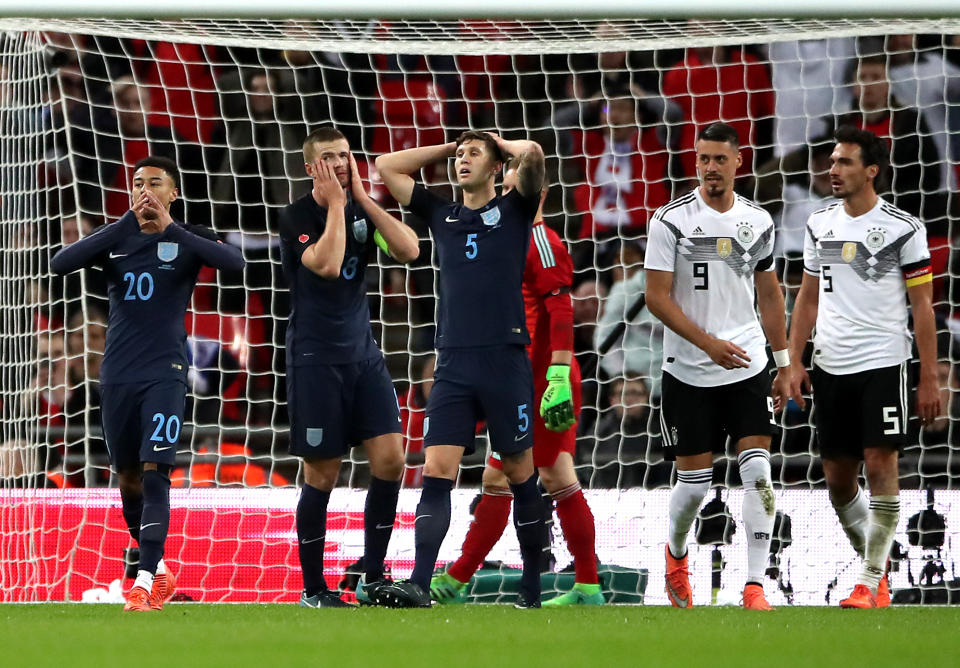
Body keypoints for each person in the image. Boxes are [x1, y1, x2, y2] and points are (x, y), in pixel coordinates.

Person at [50, 155, 244, 612]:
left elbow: (233, 263)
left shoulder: (189, 236)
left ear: (174, 192)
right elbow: (61, 263)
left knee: (156, 471)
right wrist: (125, 223)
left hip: (164, 374)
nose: (145, 189)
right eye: (138, 183)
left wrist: (170, 226)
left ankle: (143, 581)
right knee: (128, 478)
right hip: (116, 375)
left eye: (155, 183)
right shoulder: (117, 237)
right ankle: (158, 571)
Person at [375, 130, 546, 608]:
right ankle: (420, 583)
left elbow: (532, 154)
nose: (463, 161)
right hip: (452, 360)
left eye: (475, 156)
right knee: (437, 468)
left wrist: (496, 143)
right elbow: (388, 165)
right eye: (460, 155)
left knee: (518, 470)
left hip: (504, 357)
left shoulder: (515, 208)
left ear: (495, 167)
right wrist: (451, 147)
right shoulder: (441, 213)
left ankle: (531, 586)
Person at [428, 165, 602, 607]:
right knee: (522, 474)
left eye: (511, 189)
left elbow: (562, 311)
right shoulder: (506, 237)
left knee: (534, 474)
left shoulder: (539, 238)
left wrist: (557, 377)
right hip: (515, 375)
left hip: (544, 378)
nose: (504, 197)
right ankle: (583, 584)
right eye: (501, 189)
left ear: (536, 193)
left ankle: (460, 579)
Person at [786, 126, 940, 609]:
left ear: (871, 171)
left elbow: (923, 307)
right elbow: (807, 298)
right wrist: (793, 360)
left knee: (880, 463)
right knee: (836, 480)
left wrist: (929, 375)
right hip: (831, 364)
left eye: (844, 162)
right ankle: (878, 571)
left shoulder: (904, 228)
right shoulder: (819, 224)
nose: (833, 170)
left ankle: (869, 580)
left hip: (883, 362)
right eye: (832, 162)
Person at [644, 122, 795, 611]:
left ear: (737, 162)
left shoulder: (758, 221)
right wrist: (707, 343)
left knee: (759, 474)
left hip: (747, 364)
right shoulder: (670, 221)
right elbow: (656, 298)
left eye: (720, 159)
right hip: (689, 369)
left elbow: (770, 294)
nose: (711, 167)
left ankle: (754, 585)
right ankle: (676, 554)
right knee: (693, 487)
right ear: (696, 162)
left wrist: (784, 362)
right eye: (704, 159)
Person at [278, 127, 420, 608]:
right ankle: (314, 589)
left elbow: (408, 249)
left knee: (391, 461)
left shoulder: (361, 207)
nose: (339, 163)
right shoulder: (296, 215)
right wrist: (338, 206)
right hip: (316, 361)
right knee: (323, 474)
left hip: (364, 358)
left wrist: (362, 196)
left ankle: (373, 575)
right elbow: (329, 264)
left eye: (344, 156)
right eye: (328, 158)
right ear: (310, 168)